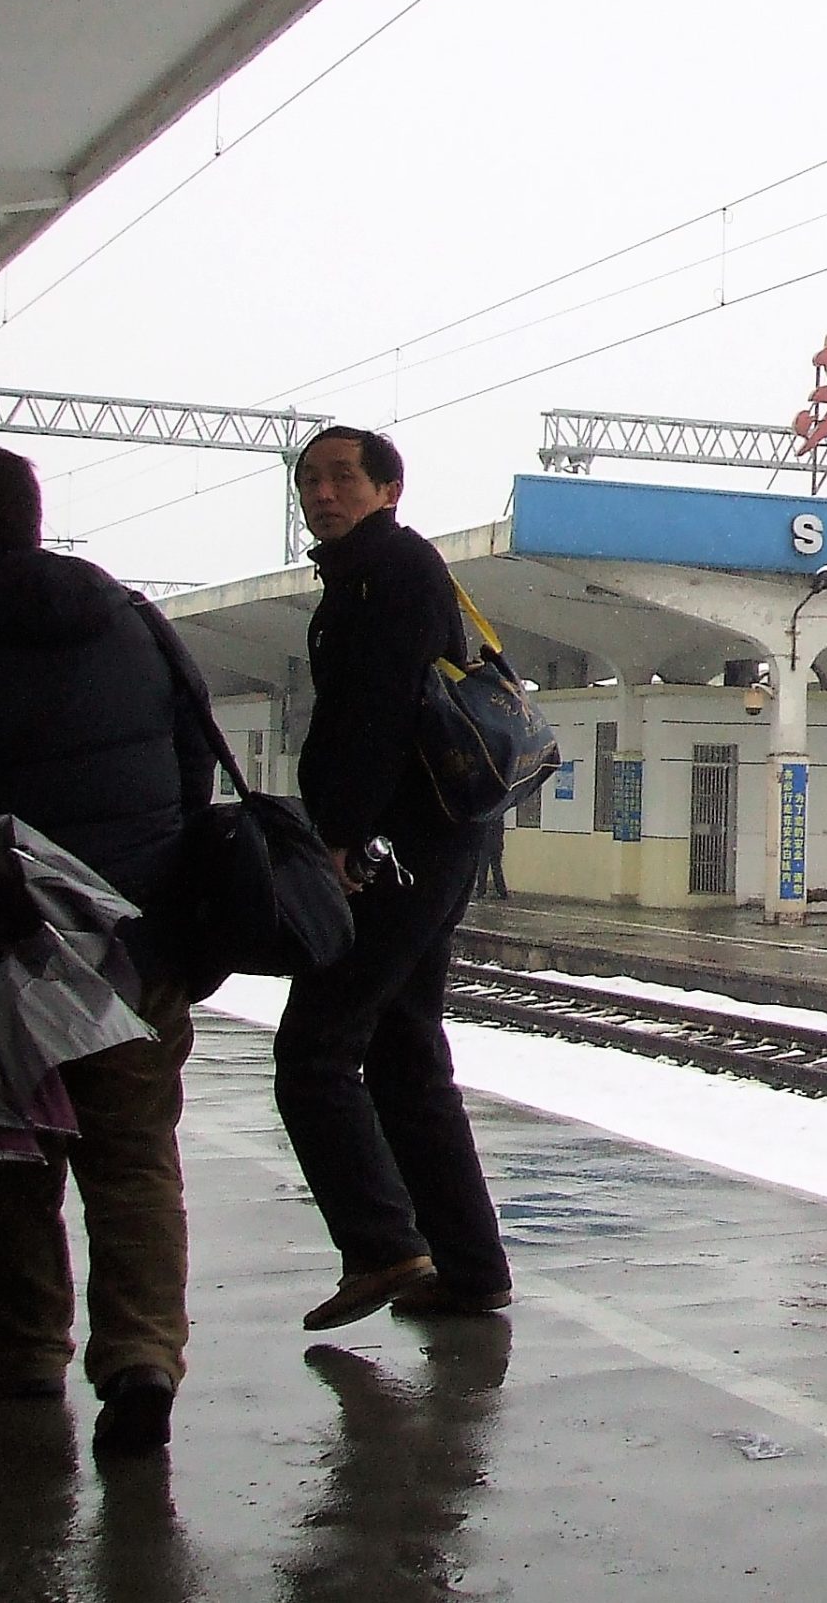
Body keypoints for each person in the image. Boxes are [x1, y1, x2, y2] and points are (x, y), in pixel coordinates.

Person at [0, 441, 216, 1457]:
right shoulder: (133, 624)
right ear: (32, 517)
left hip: (0, 944)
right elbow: (190, 771)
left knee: (10, 1155)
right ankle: (142, 1357)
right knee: (132, 1159)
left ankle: (29, 1349)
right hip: (134, 939)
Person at [277, 426, 511, 1329]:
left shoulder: (392, 571)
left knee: (314, 1049)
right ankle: (470, 1267)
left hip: (399, 847)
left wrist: (344, 835)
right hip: (434, 841)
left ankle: (382, 1244)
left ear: (389, 488)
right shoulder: (372, 573)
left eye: (342, 477)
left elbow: (371, 714)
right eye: (309, 480)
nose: (323, 493)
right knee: (408, 1053)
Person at [473, 814, 509, 901]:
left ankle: (481, 891)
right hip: (496, 845)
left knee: (483, 868)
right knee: (496, 869)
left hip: (486, 845)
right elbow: (500, 831)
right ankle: (502, 892)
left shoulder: (487, 816)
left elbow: (483, 831)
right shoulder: (499, 815)